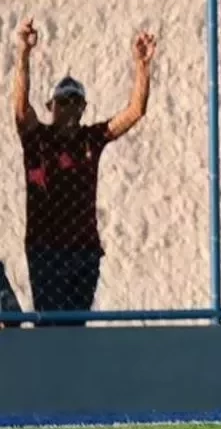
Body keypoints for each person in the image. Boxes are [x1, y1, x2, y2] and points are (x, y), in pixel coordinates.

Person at [13, 18, 157, 322]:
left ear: (83, 108)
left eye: (76, 101)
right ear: (51, 105)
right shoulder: (37, 138)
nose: (69, 106)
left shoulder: (90, 139)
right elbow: (20, 108)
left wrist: (142, 66)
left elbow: (134, 112)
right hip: (46, 250)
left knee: (76, 329)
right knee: (51, 327)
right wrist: (23, 53)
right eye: (63, 101)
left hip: (83, 251)